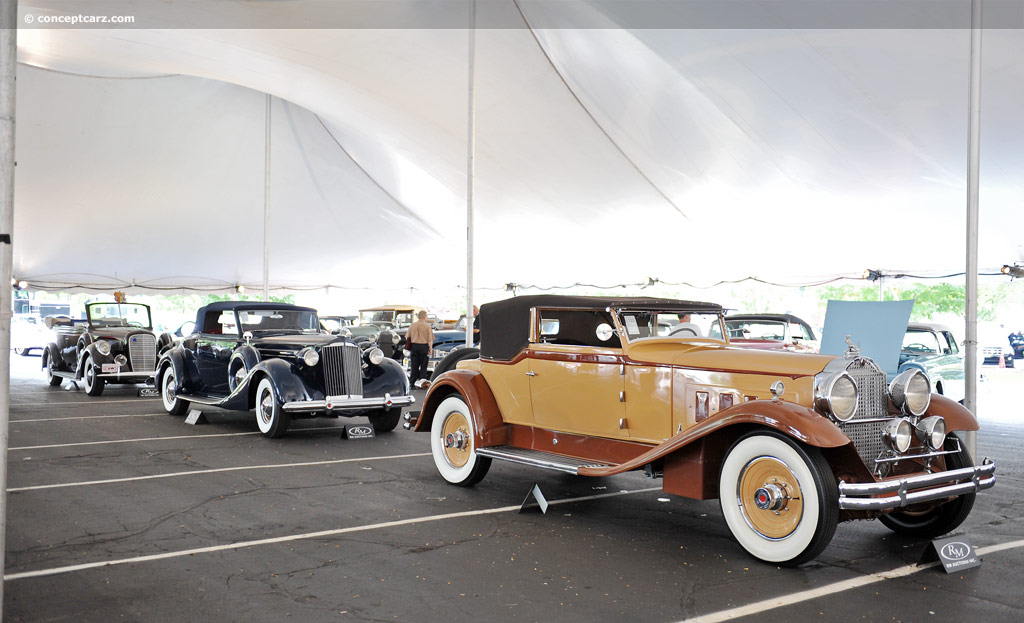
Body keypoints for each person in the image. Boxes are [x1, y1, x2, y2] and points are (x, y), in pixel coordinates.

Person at [406, 310, 434, 388]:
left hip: (414, 347)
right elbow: (430, 339)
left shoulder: (412, 325)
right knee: (423, 366)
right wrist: (430, 348)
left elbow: (407, 337)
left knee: (414, 366)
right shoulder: (427, 326)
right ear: (424, 317)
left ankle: (412, 383)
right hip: (424, 347)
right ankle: (422, 383)